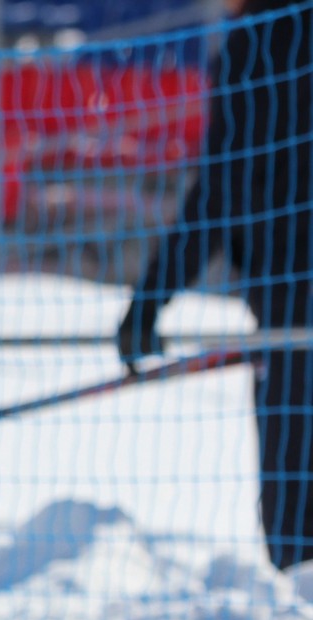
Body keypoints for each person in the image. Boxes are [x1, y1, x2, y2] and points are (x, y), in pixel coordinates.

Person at [119, 0, 313, 590]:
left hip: (291, 308)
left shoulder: (256, 43)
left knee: (295, 524)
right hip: (285, 304)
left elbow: (222, 188)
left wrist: (150, 300)